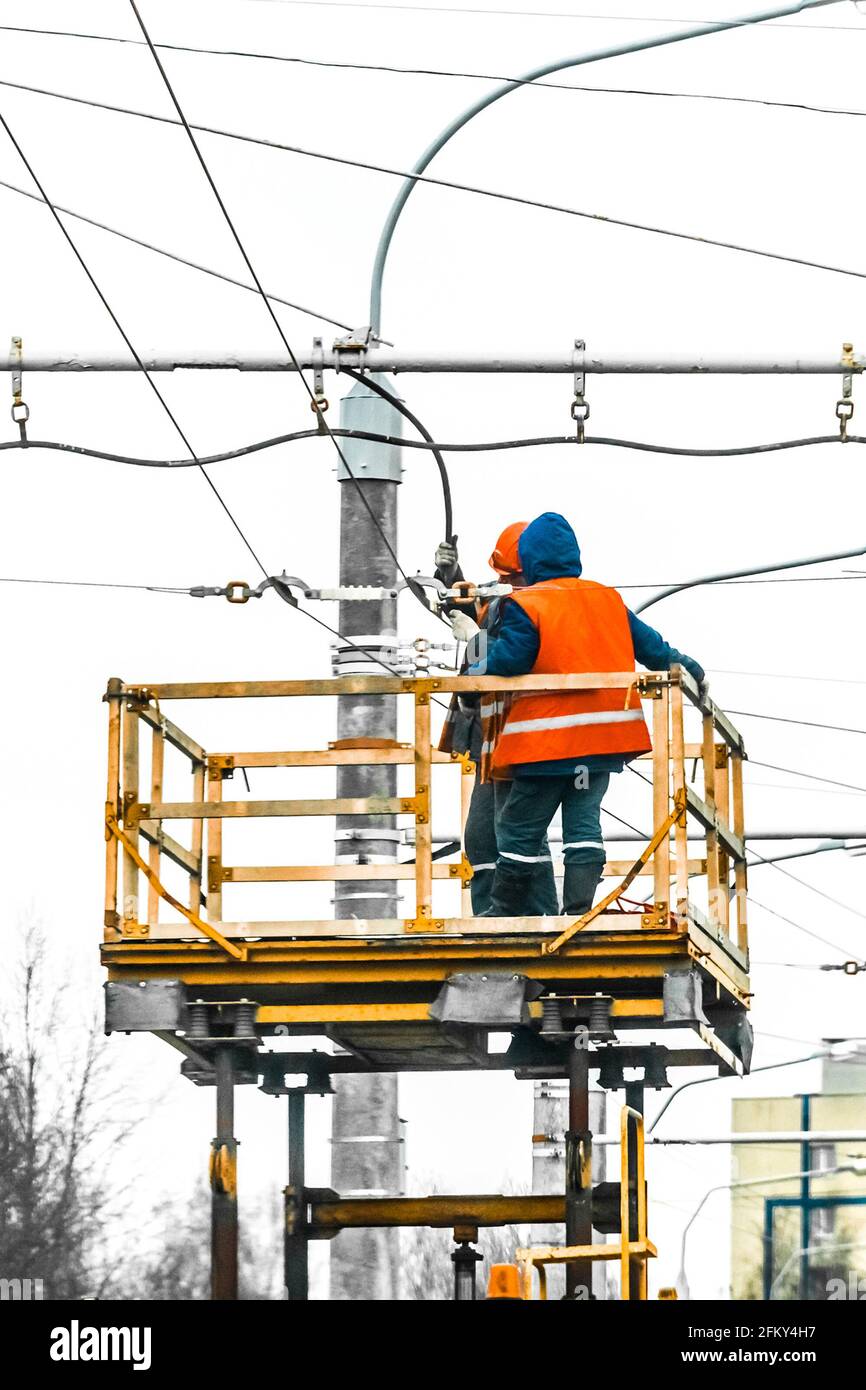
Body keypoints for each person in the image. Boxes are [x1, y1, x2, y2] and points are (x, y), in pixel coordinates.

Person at [466, 512, 705, 918]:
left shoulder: (527, 603)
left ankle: (502, 912)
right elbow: (655, 651)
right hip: (602, 747)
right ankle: (578, 911)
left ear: (530, 561)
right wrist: (692, 670)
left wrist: (475, 664)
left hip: (545, 747)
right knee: (583, 826)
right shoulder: (607, 598)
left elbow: (510, 660)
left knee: (518, 829)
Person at [435, 524, 559, 917]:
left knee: (517, 832)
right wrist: (451, 577)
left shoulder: (537, 607)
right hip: (494, 739)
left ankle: (532, 915)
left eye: (509, 576)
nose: (502, 582)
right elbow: (478, 609)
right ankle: (495, 915)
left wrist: (474, 639)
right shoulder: (512, 600)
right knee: (486, 836)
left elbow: (505, 659)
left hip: (519, 737)